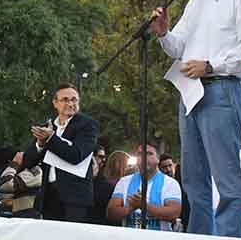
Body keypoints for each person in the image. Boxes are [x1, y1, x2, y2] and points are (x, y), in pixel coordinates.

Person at [152, 0, 241, 237]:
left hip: (220, 89)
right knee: (192, 179)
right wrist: (163, 33)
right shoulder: (195, 1)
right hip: (190, 93)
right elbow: (177, 47)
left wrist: (211, 65)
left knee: (225, 178)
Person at [23, 83, 99, 223]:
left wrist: (51, 138)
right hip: (48, 195)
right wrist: (40, 144)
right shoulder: (48, 126)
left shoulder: (87, 125)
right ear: (55, 103)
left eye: (74, 99)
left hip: (75, 199)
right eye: (65, 99)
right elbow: (28, 161)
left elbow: (76, 155)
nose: (70, 103)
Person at [108, 142, 183, 230]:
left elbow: (173, 214)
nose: (144, 157)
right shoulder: (124, 181)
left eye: (149, 154)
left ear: (158, 159)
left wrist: (143, 205)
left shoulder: (170, 183)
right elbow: (111, 213)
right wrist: (131, 208)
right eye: (140, 154)